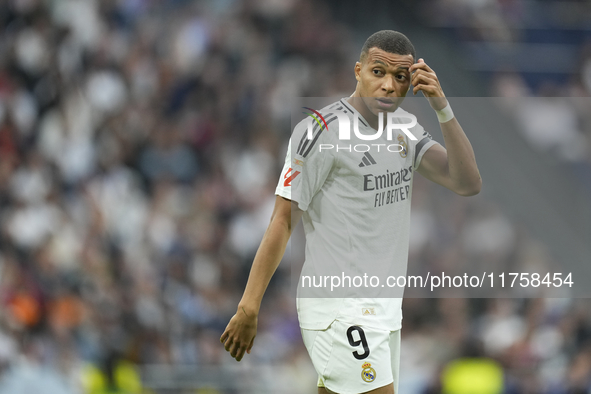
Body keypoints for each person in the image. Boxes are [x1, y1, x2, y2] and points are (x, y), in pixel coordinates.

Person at [220, 30, 481, 394]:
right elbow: (282, 220)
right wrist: (249, 306)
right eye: (378, 72)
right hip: (338, 309)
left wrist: (442, 106)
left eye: (400, 77)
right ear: (358, 71)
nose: (389, 85)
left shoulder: (405, 128)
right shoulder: (320, 132)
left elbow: (467, 181)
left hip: (385, 311)